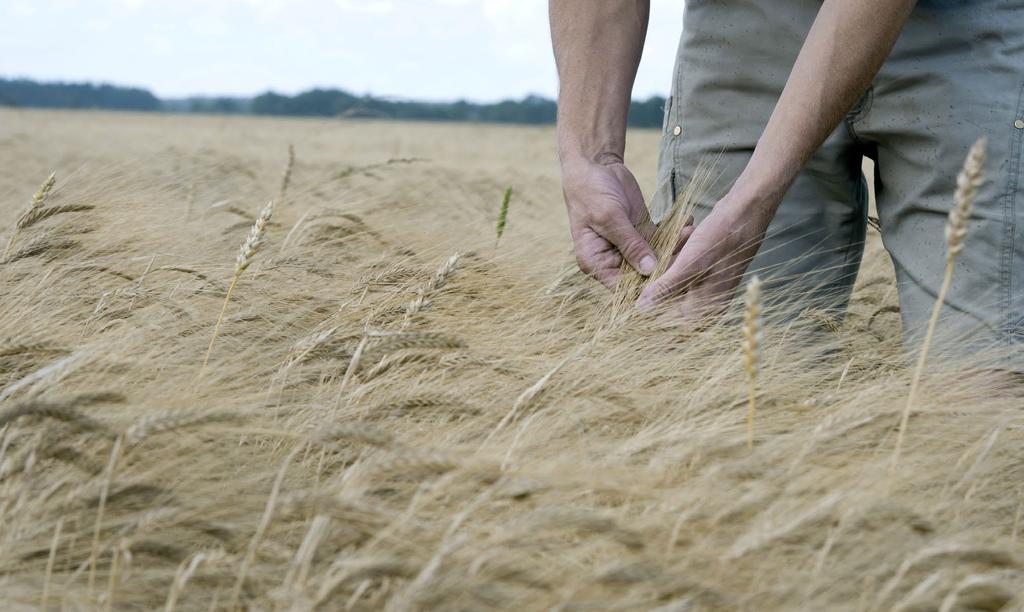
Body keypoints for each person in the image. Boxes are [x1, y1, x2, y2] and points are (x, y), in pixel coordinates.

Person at [550, 0, 1024, 369]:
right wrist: (590, 154)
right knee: (718, 376)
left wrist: (753, 196)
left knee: (981, 387)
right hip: (742, 34)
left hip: (968, 29)